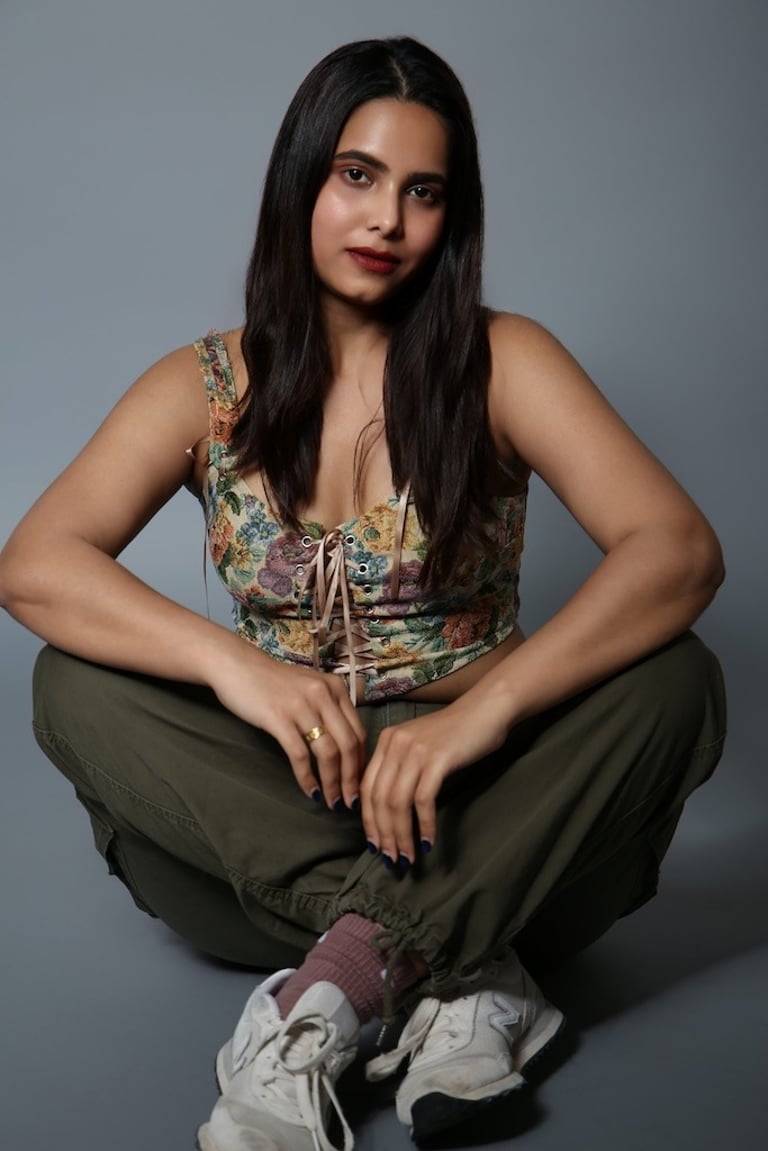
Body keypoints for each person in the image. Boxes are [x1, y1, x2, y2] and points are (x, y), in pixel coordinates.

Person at [0, 35, 726, 1151]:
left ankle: (335, 985)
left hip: (496, 811)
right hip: (278, 822)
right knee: (68, 684)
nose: (386, 219)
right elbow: (35, 564)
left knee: (679, 680)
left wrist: (480, 715)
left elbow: (677, 550)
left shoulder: (505, 361)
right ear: (302, 179)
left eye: (423, 192)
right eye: (357, 175)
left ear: (453, 216)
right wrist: (238, 667)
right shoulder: (206, 384)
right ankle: (461, 967)